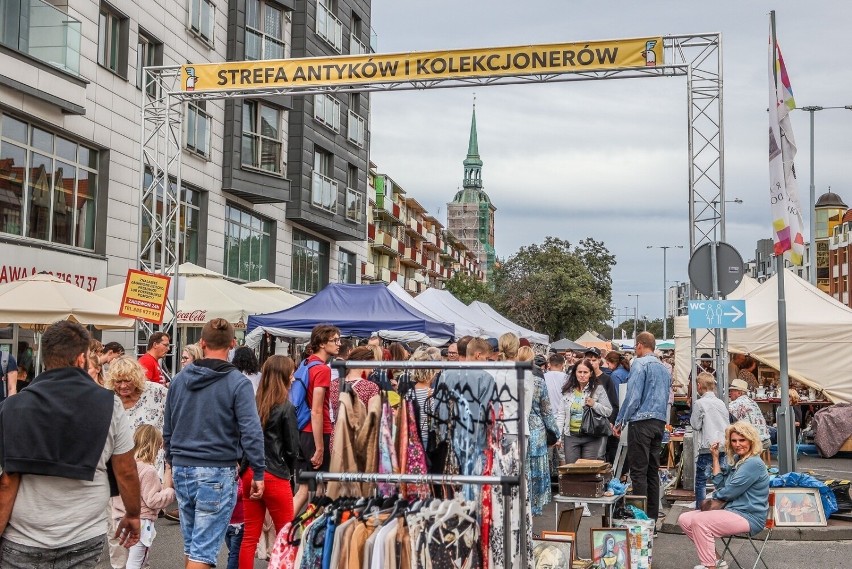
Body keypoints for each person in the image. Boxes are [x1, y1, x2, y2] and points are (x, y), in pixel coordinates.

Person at [0, 320, 141, 568]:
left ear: (46, 357)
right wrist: (133, 513)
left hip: (24, 537)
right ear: (80, 359)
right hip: (83, 535)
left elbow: (6, 480)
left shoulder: (11, 407)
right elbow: (126, 470)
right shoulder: (109, 404)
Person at [164, 318, 265, 569]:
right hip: (216, 468)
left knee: (194, 547)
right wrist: (259, 471)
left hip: (183, 467)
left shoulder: (179, 380)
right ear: (233, 344)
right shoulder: (237, 383)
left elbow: (168, 426)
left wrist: (170, 460)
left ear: (202, 342)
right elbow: (251, 431)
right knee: (203, 551)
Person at [678, 422, 770, 569]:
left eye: (742, 440)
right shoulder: (738, 460)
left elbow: (729, 492)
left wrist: (713, 497)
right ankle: (717, 561)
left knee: (700, 521)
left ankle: (710, 566)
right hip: (732, 510)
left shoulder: (753, 463)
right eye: (734, 441)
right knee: (685, 519)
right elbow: (721, 486)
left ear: (751, 441)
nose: (738, 444)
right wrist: (715, 457)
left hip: (749, 515)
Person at [239, 355, 300, 568]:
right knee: (286, 534)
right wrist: (290, 473)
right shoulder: (286, 407)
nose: (293, 378)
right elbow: (292, 449)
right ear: (283, 375)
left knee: (250, 537)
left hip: (249, 471)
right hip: (275, 473)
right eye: (291, 373)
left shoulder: (253, 404)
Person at [613, 331, 670, 522]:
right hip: (659, 422)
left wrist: (620, 420)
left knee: (638, 472)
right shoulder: (663, 368)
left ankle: (641, 520)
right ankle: (652, 519)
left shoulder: (639, 363)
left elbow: (633, 397)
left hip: (641, 421)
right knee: (652, 471)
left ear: (639, 345)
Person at [111, 424, 175, 569]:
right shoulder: (148, 470)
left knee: (131, 560)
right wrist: (169, 492)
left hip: (120, 520)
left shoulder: (126, 466)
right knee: (137, 563)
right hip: (141, 521)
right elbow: (152, 500)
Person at [291, 324, 339, 517]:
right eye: (334, 340)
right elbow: (317, 409)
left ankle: (283, 534)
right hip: (317, 432)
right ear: (321, 343)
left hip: (302, 431)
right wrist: (320, 447)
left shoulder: (306, 364)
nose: (338, 344)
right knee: (323, 487)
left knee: (303, 489)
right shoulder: (322, 370)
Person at [511, 335, 560, 516]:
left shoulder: (509, 380)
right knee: (535, 474)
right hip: (536, 432)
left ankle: (519, 507)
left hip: (516, 430)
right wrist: (555, 433)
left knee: (520, 471)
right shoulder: (538, 382)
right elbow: (547, 411)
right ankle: (533, 509)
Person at [556, 358, 612, 463]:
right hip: (571, 436)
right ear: (575, 373)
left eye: (585, 372)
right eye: (579, 372)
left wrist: (594, 404)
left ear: (590, 373)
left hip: (591, 435)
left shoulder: (598, 389)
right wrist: (558, 436)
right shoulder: (568, 391)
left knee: (587, 471)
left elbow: (608, 411)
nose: (582, 375)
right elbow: (561, 415)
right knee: (572, 471)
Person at [691, 372, 730, 508]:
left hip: (707, 446)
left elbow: (695, 425)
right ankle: (721, 508)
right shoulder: (721, 403)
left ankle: (701, 510)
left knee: (701, 480)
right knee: (721, 480)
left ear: (699, 385)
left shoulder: (699, 403)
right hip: (723, 445)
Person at [108, 356, 169, 432]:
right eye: (118, 381)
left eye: (127, 381)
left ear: (136, 378)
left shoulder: (156, 392)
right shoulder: (108, 397)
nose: (123, 386)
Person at [728, 378, 771, 451]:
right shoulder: (752, 402)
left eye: (732, 391)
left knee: (730, 445)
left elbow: (726, 420)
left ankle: (737, 462)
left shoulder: (734, 404)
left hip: (754, 442)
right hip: (766, 441)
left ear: (739, 393)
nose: (730, 393)